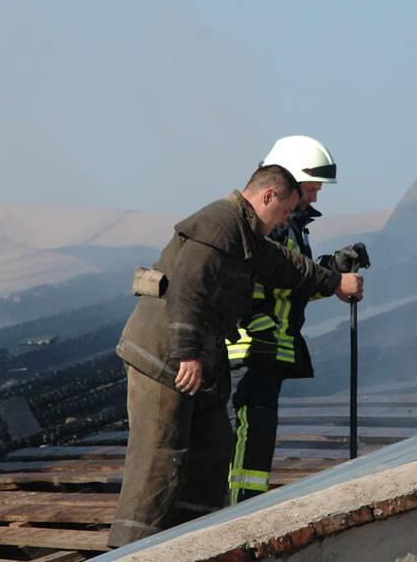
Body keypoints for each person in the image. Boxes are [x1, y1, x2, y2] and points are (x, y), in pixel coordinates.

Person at [107, 164, 364, 548]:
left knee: (213, 448)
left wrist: (333, 281)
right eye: (282, 212)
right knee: (160, 455)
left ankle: (193, 544)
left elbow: (285, 266)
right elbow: (187, 291)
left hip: (200, 360)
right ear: (268, 196)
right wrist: (188, 354)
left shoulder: (247, 234)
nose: (283, 222)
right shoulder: (220, 225)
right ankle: (129, 552)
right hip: (164, 359)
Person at [226, 136, 369, 505]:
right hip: (250, 352)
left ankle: (244, 517)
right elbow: (252, 283)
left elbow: (292, 284)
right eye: (311, 188)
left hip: (266, 354)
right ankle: (234, 522)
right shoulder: (269, 225)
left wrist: (333, 270)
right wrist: (333, 280)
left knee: (255, 452)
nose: (316, 197)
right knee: (245, 451)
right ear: (287, 180)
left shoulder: (289, 227)